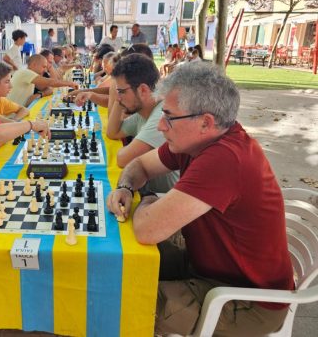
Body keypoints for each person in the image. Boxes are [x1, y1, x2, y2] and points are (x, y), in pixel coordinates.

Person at [107, 62, 294, 336]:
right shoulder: (197, 140)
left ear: (205, 121)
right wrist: (126, 187)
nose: (160, 125)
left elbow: (147, 230)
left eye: (169, 116)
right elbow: (139, 166)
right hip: (204, 262)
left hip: (245, 299)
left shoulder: (224, 158)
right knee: (113, 264)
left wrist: (146, 198)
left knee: (114, 300)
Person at [106, 54, 178, 192]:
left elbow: (122, 159)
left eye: (121, 91)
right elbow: (112, 132)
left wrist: (119, 96)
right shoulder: (144, 110)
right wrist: (119, 97)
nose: (118, 97)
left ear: (143, 90)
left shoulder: (161, 116)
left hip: (163, 199)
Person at [7, 54, 79, 107]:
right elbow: (51, 82)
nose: (45, 70)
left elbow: (46, 87)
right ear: (34, 65)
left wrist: (43, 92)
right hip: (12, 116)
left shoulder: (30, 75)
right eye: (44, 67)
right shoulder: (25, 72)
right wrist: (70, 83)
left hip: (19, 111)